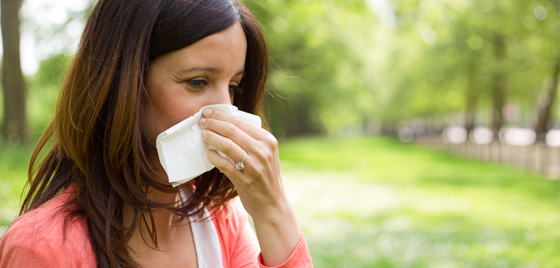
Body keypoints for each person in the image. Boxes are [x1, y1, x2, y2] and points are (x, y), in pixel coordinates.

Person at [0, 0, 313, 267]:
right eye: (198, 82)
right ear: (125, 81)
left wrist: (274, 212)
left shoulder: (220, 217)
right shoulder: (43, 246)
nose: (225, 109)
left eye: (233, 87)